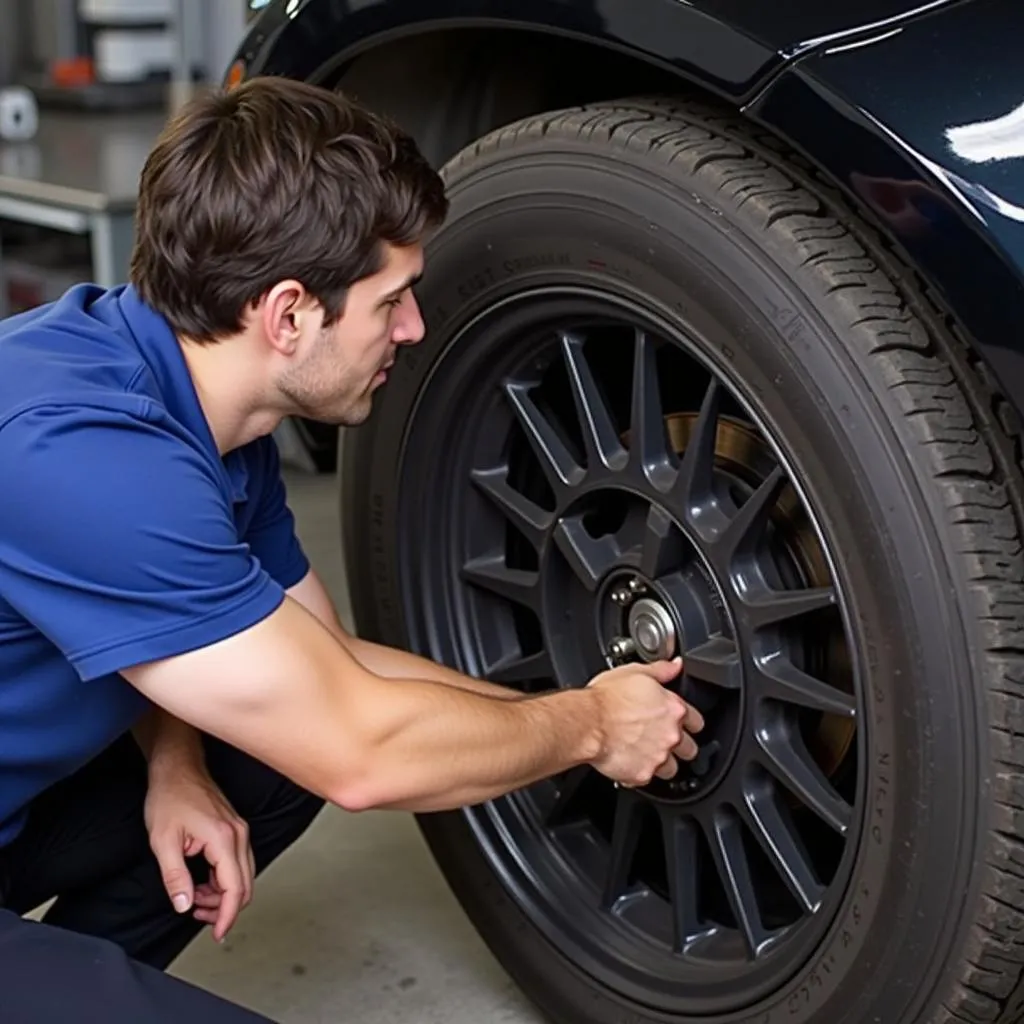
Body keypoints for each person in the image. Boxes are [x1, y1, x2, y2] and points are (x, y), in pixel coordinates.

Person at [0, 77, 704, 1022]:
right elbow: (359, 749)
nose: (414, 329)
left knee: (264, 761)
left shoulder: (200, 409)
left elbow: (331, 668)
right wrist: (589, 729)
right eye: (394, 300)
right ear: (288, 314)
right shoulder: (82, 453)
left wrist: (178, 765)